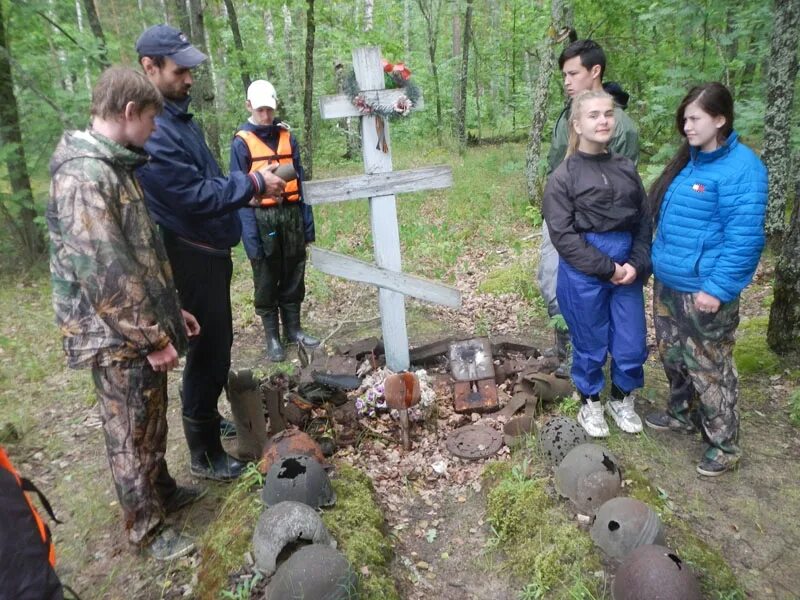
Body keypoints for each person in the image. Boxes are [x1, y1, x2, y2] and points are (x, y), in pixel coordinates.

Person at [47, 67, 205, 559]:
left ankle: (161, 492)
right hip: (113, 337)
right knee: (129, 435)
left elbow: (138, 254)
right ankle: (147, 530)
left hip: (137, 327)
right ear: (130, 112)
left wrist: (169, 313)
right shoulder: (84, 177)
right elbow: (106, 273)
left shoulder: (117, 166)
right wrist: (151, 337)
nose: (156, 130)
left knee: (151, 418)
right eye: (152, 119)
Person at [135, 25, 285, 481]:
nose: (189, 79)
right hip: (190, 254)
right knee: (209, 350)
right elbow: (193, 195)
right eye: (180, 70)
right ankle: (204, 453)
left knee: (214, 346)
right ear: (150, 67)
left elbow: (206, 180)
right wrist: (255, 183)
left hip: (208, 248)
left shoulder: (176, 116)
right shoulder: (155, 130)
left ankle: (204, 420)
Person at [645, 82, 767, 476]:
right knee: (673, 355)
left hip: (704, 289)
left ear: (720, 119)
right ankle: (681, 414)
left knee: (710, 367)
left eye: (694, 118)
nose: (686, 126)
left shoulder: (742, 169)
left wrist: (717, 289)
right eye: (684, 118)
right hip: (670, 283)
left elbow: (744, 238)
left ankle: (724, 444)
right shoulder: (690, 162)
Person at [542, 90, 650, 438]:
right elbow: (563, 235)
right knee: (589, 340)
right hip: (584, 270)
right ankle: (590, 400)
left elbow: (643, 222)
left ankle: (621, 397)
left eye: (608, 114)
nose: (603, 120)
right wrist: (607, 267)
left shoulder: (626, 169)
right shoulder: (564, 176)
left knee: (632, 340)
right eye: (593, 115)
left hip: (627, 269)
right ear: (577, 124)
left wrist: (635, 263)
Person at [538, 39, 640, 375]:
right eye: (563, 75)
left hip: (595, 232)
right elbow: (561, 164)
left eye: (573, 73)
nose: (566, 81)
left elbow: (622, 188)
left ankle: (589, 357)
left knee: (589, 292)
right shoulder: (570, 113)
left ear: (594, 71)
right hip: (562, 217)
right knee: (553, 285)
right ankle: (573, 349)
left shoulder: (619, 126)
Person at [231, 79, 319, 363]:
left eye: (269, 109)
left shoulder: (287, 137)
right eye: (260, 111)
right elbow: (238, 191)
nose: (266, 116)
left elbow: (301, 181)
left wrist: (307, 223)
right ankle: (272, 335)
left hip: (291, 213)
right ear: (249, 107)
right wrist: (250, 238)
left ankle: (293, 328)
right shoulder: (241, 143)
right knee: (267, 275)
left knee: (294, 269)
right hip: (261, 218)